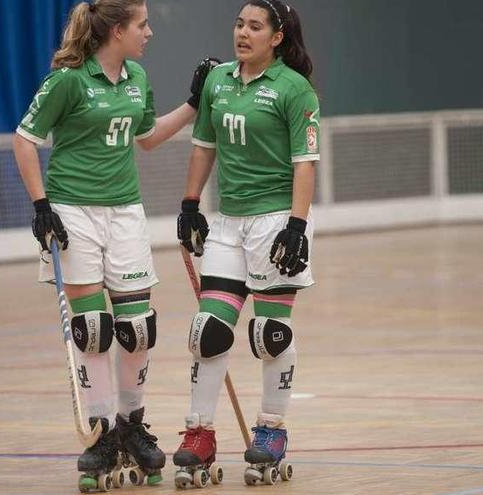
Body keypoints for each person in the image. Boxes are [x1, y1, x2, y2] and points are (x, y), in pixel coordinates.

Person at [12, 0, 216, 490]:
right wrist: (42, 207)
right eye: (142, 25)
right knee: (92, 327)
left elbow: (146, 138)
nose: (149, 34)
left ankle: (132, 422)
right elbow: (24, 140)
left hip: (124, 212)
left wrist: (193, 102)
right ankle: (103, 432)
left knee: (138, 327)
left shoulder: (136, 81)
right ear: (117, 30)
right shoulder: (67, 81)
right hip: (72, 212)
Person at [172, 0, 319, 487]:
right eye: (239, 23)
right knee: (209, 329)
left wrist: (296, 227)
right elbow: (204, 146)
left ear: (276, 37)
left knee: (269, 334)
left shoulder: (294, 90)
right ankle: (199, 433)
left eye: (255, 26)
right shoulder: (217, 83)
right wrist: (191, 204)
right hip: (229, 223)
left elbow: (305, 163)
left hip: (277, 220)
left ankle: (271, 430)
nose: (243, 32)